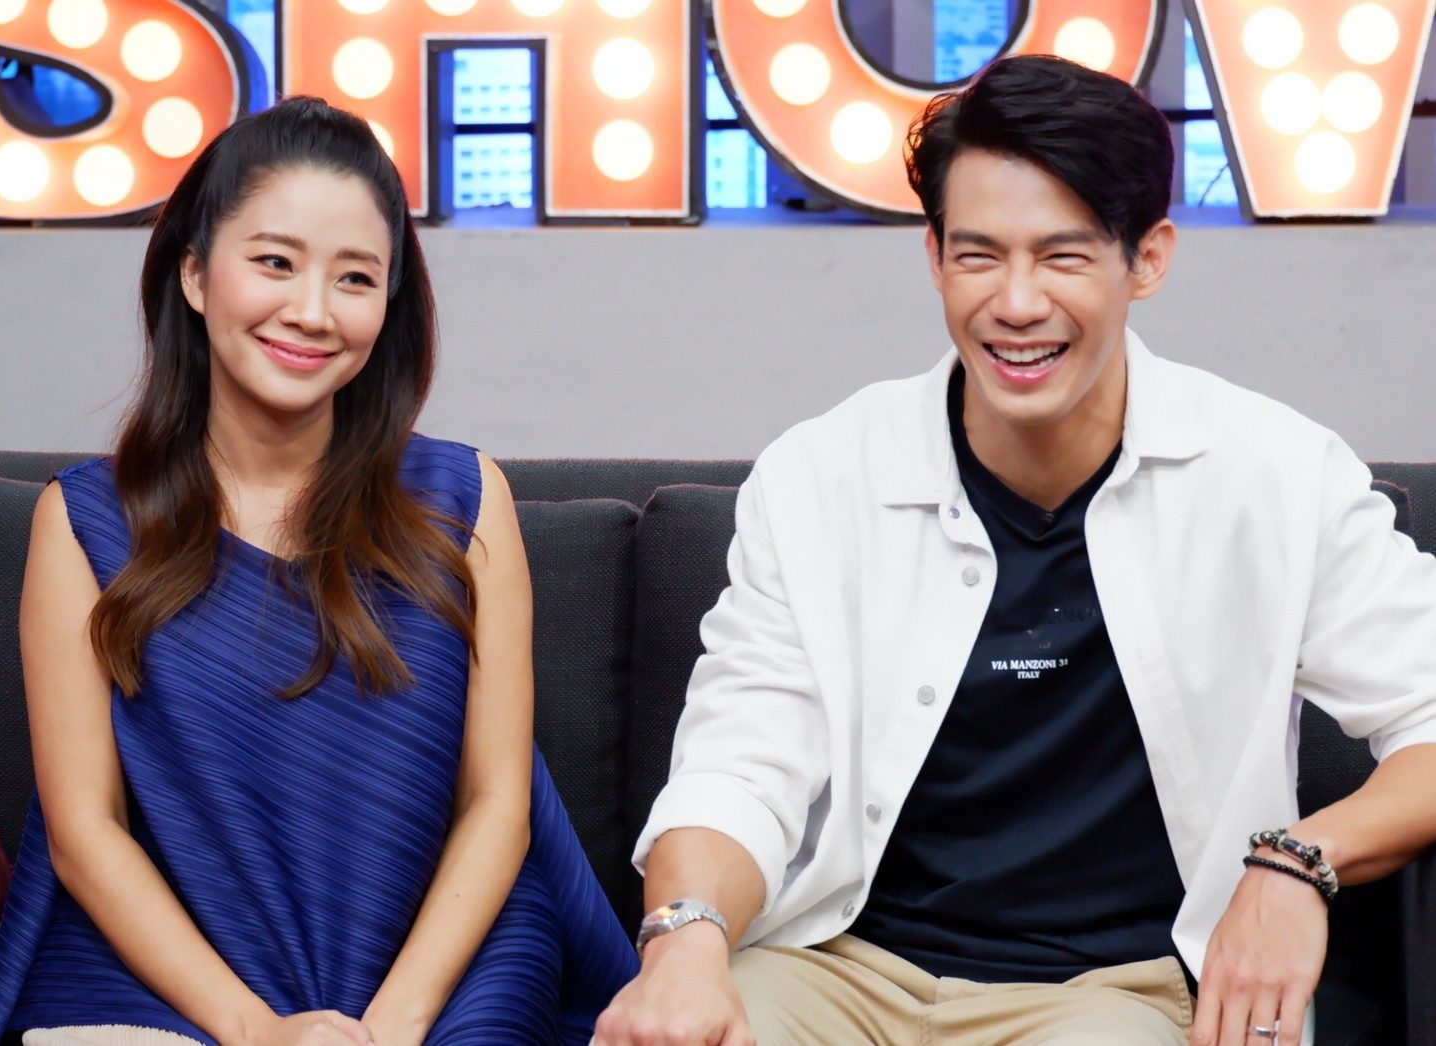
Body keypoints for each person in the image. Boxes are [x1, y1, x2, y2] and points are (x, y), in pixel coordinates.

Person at [595, 55, 1436, 1046]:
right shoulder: (822, 475)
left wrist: (1300, 859)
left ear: (1148, 259)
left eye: (1063, 256)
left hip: (1113, 996)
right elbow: (739, 766)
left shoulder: (1275, 474)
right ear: (935, 258)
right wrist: (684, 945)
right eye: (979, 255)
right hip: (841, 973)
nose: (1018, 302)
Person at [0, 96, 636, 1045]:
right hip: (175, 986)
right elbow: (87, 832)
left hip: (443, 976)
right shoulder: (84, 524)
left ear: (389, 305)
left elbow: (497, 806)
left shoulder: (464, 498)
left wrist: (391, 1028)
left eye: (355, 278)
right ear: (195, 273)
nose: (313, 313)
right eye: (275, 263)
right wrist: (256, 1032)